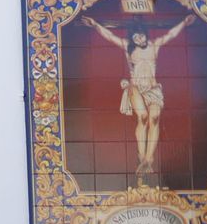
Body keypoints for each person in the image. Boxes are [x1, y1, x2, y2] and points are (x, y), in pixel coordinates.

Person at [81, 14, 196, 176]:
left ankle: (149, 159)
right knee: (143, 117)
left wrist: (184, 22)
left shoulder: (154, 45)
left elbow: (171, 34)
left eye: (140, 35)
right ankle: (141, 156)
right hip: (135, 88)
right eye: (135, 37)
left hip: (153, 89)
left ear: (145, 34)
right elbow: (110, 36)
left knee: (154, 118)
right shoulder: (128, 47)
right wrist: (95, 24)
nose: (139, 39)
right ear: (132, 38)